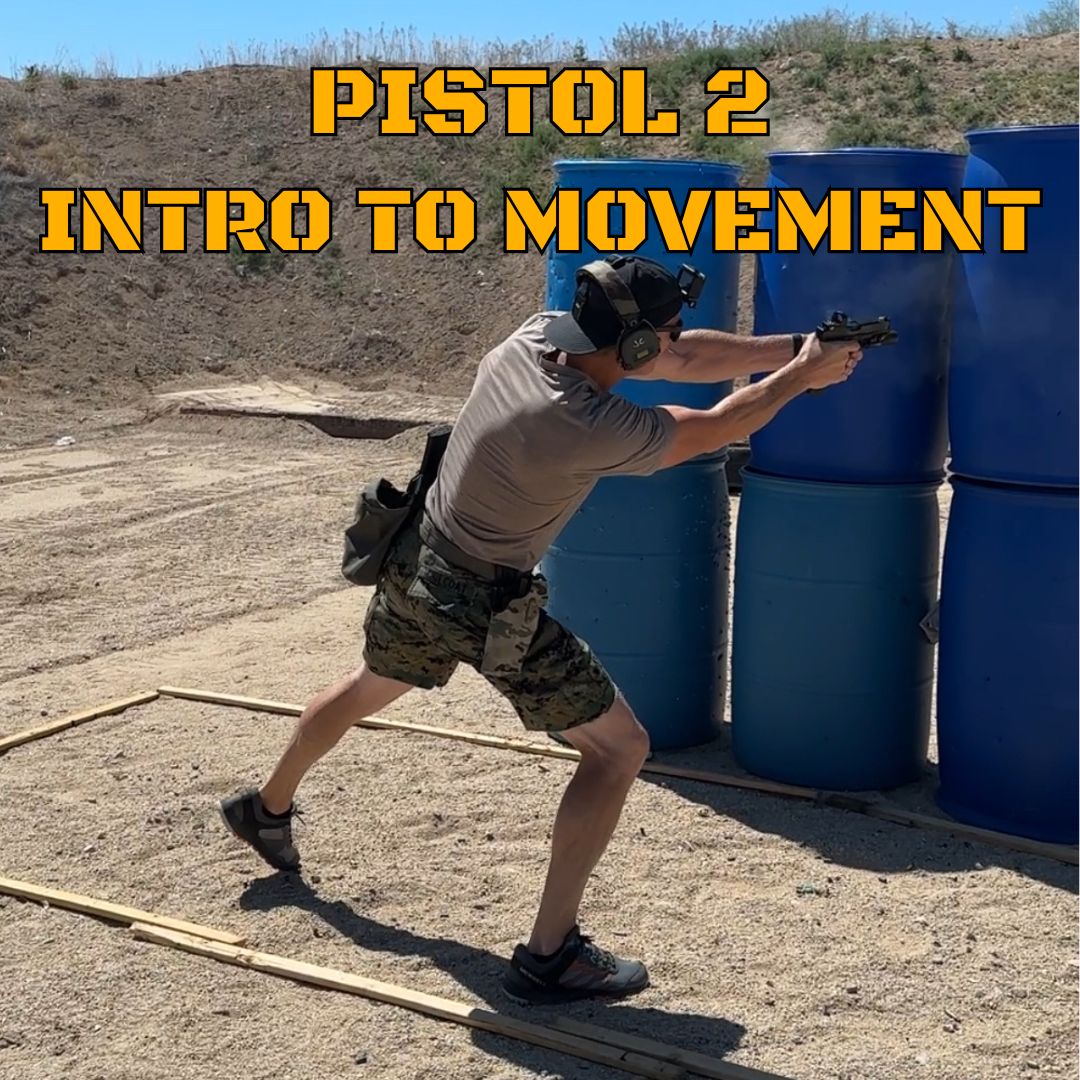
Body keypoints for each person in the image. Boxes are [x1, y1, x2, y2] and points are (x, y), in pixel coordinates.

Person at [219, 254, 863, 1006]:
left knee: (372, 683)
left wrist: (795, 347)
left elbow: (684, 355)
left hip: (421, 555)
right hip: (482, 600)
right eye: (662, 335)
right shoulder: (579, 422)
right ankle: (549, 956)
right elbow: (720, 424)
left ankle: (265, 809)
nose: (673, 345)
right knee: (620, 749)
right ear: (632, 348)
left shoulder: (532, 340)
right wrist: (802, 380)